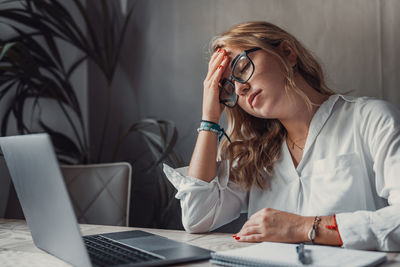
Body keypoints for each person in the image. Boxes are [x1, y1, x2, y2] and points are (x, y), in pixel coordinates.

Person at [163, 21, 400, 251]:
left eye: (243, 67)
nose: (240, 89)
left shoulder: (371, 119)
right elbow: (196, 217)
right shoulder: (256, 153)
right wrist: (209, 118)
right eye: (228, 88)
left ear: (287, 53)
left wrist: (304, 227)